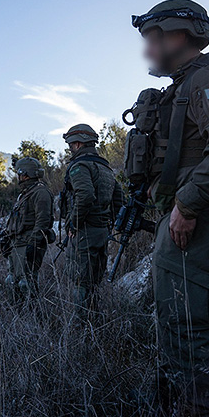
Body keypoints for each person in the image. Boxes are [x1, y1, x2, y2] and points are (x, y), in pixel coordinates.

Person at [131, 0, 209, 417]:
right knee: (172, 320)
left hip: (200, 221)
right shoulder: (183, 86)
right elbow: (191, 155)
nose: (148, 50)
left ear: (177, 34)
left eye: (152, 39)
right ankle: (176, 413)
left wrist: (188, 204)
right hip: (184, 220)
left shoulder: (207, 79)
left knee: (193, 329)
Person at [61, 124, 123, 317]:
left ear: (78, 143)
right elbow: (119, 200)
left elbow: (85, 195)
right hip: (102, 232)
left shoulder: (80, 166)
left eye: (71, 144)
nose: (70, 148)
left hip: (84, 232)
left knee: (81, 282)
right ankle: (95, 321)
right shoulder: (105, 168)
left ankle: (81, 328)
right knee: (95, 281)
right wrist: (109, 224)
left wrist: (74, 223)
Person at [4, 157, 54, 299]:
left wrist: (34, 243)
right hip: (18, 243)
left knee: (26, 283)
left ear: (25, 174)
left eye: (19, 174)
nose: (18, 177)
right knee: (12, 281)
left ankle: (34, 316)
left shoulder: (40, 192)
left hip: (29, 243)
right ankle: (17, 316)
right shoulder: (25, 194)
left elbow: (43, 220)